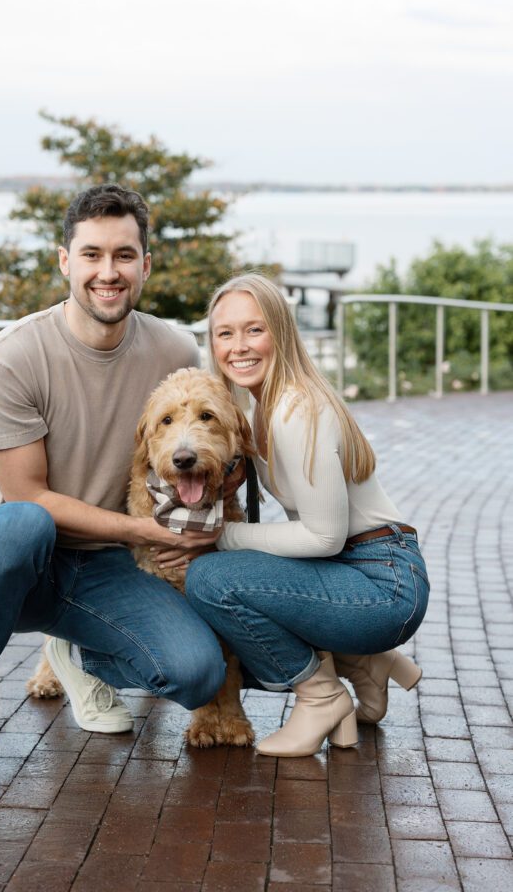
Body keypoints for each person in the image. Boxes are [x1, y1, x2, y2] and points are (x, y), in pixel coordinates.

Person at [0, 183, 226, 796]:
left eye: (122, 255)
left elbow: (204, 441)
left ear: (145, 264)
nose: (107, 273)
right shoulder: (11, 358)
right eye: (91, 255)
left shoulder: (174, 349)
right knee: (22, 524)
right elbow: (26, 495)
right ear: (66, 261)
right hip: (15, 559)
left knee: (197, 674)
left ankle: (76, 651)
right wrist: (146, 530)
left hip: (106, 567)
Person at [180, 273, 430, 758]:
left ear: (282, 332)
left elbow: (323, 537)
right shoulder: (259, 407)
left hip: (381, 583)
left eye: (255, 330)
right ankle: (366, 664)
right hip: (366, 570)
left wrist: (224, 535)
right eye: (224, 333)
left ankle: (321, 695)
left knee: (210, 580)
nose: (238, 346)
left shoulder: (296, 409)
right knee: (243, 579)